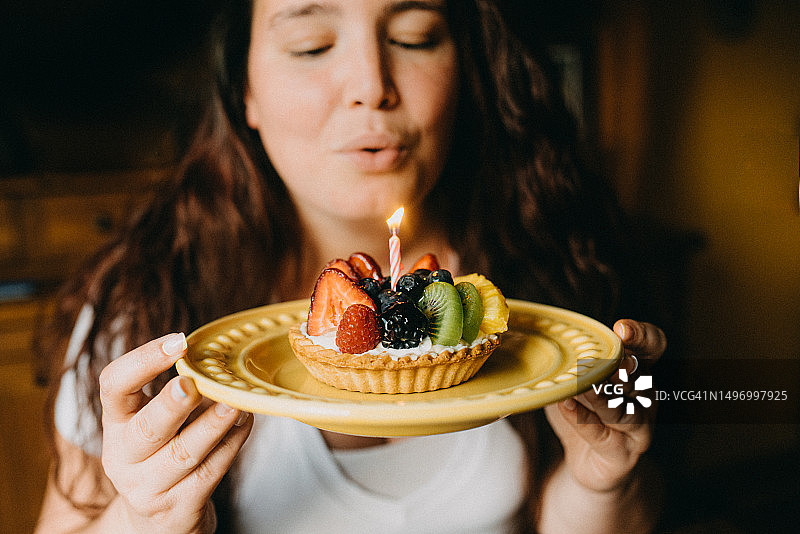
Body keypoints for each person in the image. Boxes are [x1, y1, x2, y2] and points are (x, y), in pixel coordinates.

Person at [34, 0, 667, 532]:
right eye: (311, 45)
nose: (371, 84)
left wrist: (603, 485)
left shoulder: (552, 277)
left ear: (467, 70)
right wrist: (141, 518)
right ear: (245, 93)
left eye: (413, 37)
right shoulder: (148, 302)